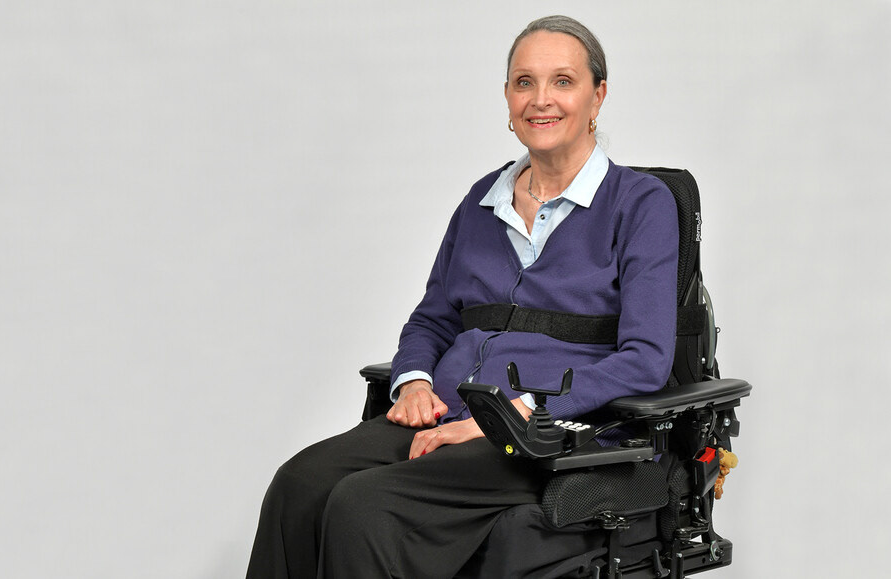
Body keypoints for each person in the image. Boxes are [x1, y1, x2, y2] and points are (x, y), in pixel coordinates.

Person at [247, 15, 678, 579]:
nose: (541, 99)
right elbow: (432, 319)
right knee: (298, 485)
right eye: (524, 82)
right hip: (445, 410)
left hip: (543, 434)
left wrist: (519, 413)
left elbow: (646, 359)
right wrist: (414, 382)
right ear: (508, 98)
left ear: (597, 95)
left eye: (563, 81)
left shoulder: (641, 204)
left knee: (363, 506)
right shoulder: (482, 200)